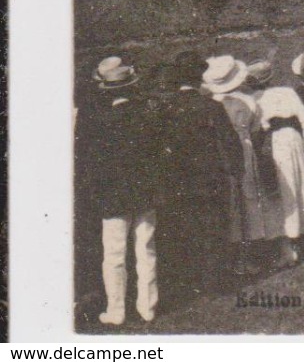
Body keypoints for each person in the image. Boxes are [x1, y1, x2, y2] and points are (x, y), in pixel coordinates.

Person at [78, 57, 161, 325]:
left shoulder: (97, 122)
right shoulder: (146, 115)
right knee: (145, 248)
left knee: (114, 254)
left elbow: (90, 162)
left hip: (113, 194)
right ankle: (147, 306)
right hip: (144, 190)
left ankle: (117, 310)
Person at [151, 50, 239, 303]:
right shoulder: (211, 106)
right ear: (200, 77)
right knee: (213, 229)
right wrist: (235, 170)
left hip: (176, 179)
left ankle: (187, 281)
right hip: (210, 178)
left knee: (182, 229)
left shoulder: (166, 108)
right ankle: (214, 283)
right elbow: (229, 142)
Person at [202, 56, 280, 275]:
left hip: (221, 152)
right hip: (243, 150)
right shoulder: (247, 102)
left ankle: (234, 257)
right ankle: (247, 255)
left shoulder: (211, 102)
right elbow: (257, 131)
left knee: (231, 202)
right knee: (248, 201)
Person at [255, 85, 304, 264]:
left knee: (282, 189)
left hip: (276, 142)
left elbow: (260, 127)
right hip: (295, 139)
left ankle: (289, 245)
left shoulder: (258, 97)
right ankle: (299, 238)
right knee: (298, 186)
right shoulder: (288, 91)